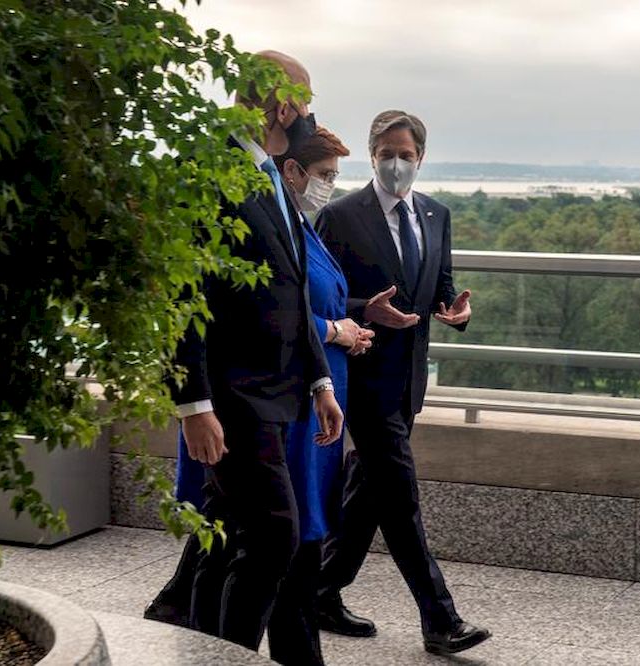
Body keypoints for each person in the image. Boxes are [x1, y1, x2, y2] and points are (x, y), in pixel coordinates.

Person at [145, 50, 344, 654]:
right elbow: (183, 294)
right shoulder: (207, 168)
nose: (310, 114)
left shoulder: (269, 172)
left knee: (228, 538)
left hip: (279, 392)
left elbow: (287, 286)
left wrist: (319, 384)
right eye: (306, 101)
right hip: (234, 396)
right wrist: (193, 405)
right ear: (283, 104)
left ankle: (208, 650)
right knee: (277, 536)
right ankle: (230, 655)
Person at [316, 110, 490, 655]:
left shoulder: (436, 215)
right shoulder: (341, 216)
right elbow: (315, 297)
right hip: (363, 377)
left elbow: (441, 286)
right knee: (399, 494)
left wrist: (455, 311)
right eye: (388, 153)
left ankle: (321, 591)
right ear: (372, 155)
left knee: (369, 493)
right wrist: (366, 309)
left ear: (421, 158)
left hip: (409, 381)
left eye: (407, 155)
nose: (397, 164)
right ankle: (440, 618)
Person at [266, 126, 373, 666]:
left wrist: (357, 318)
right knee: (294, 538)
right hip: (298, 399)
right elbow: (274, 312)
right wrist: (337, 331)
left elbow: (320, 300)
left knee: (298, 534)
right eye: (325, 175)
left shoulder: (302, 230)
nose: (330, 186)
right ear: (293, 172)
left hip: (322, 395)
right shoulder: (281, 229)